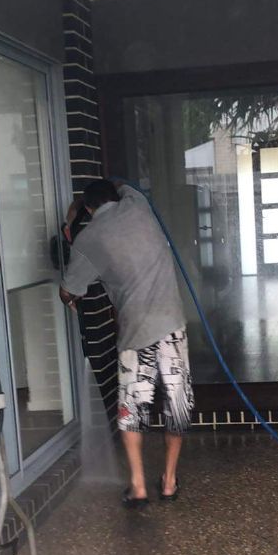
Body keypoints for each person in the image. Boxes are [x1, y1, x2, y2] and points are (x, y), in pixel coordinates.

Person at [59, 178, 193, 508]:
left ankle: (137, 486)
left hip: (135, 335)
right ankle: (169, 481)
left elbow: (69, 291)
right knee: (176, 406)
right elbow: (123, 184)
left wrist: (71, 225)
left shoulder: (88, 239)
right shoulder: (138, 206)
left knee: (133, 410)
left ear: (89, 209)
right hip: (171, 326)